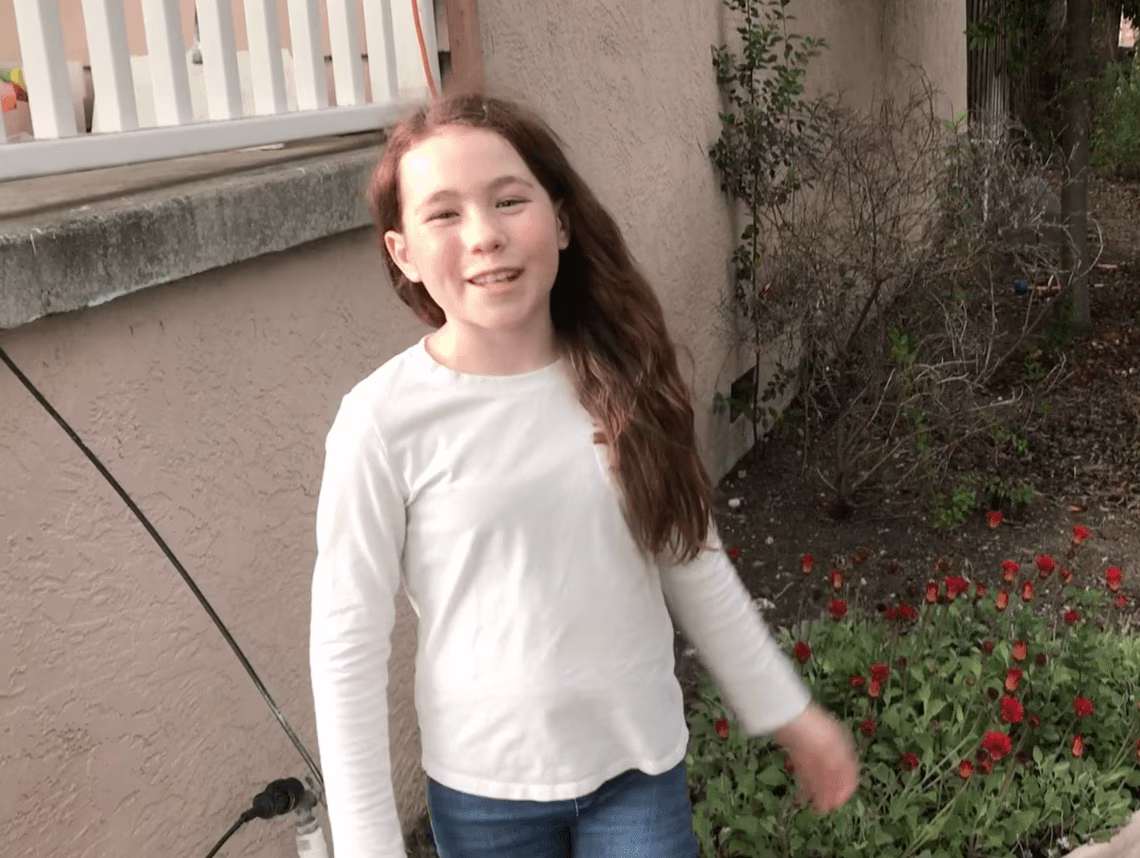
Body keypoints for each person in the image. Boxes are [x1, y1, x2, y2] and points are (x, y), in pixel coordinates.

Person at [307, 93, 859, 858]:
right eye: (444, 214)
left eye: (509, 200)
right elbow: (347, 645)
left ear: (561, 221)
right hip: (484, 795)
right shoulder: (380, 422)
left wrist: (788, 712)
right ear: (401, 252)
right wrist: (367, 845)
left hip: (636, 775)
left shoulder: (622, 376)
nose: (486, 236)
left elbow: (689, 556)